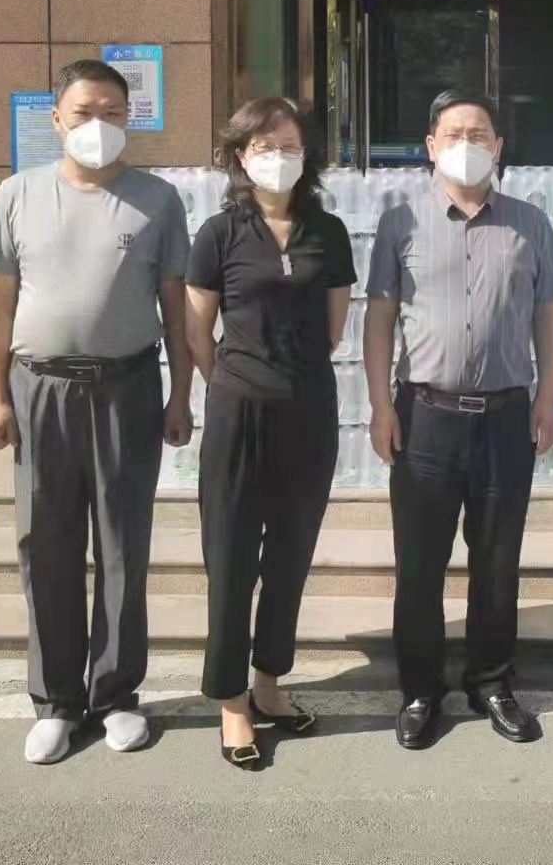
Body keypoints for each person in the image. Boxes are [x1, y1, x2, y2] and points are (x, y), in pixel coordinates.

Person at [0, 59, 193, 765]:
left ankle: (117, 694)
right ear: (57, 119)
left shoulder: (157, 200)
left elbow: (176, 309)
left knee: (123, 544)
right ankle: (56, 702)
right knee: (47, 543)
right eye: (84, 112)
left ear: (130, 118)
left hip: (127, 386)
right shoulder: (17, 194)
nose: (99, 124)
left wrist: (181, 393)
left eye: (112, 112)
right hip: (40, 387)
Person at [364, 90, 553, 749]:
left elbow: (551, 314)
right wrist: (379, 406)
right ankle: (420, 689)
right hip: (425, 417)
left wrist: (547, 397)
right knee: (419, 564)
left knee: (498, 560)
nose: (467, 144)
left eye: (480, 134)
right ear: (430, 146)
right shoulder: (401, 222)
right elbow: (380, 318)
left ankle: (491, 682)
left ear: (499, 146)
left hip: (507, 418)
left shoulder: (530, 223)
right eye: (454, 134)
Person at [185, 98, 354, 771]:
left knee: (289, 557)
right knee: (230, 559)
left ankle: (268, 684)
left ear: (307, 155)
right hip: (239, 416)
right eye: (263, 146)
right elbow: (198, 332)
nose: (277, 157)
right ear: (239, 156)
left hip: (308, 413)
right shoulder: (218, 234)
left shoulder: (329, 232)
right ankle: (231, 701)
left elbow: (334, 328)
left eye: (289, 145)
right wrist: (236, 381)